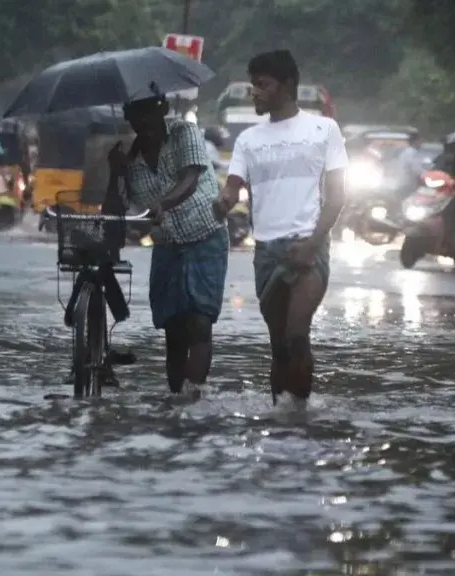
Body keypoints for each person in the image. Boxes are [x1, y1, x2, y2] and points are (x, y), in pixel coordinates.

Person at [214, 49, 348, 410]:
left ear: (287, 85)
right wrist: (223, 201)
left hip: (309, 245)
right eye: (253, 86)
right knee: (278, 345)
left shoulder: (324, 129)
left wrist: (313, 244)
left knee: (296, 334)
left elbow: (337, 197)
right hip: (267, 252)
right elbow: (233, 187)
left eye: (262, 85)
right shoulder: (248, 141)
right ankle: (281, 422)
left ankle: (300, 416)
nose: (255, 93)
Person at [105, 94, 229, 395]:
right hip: (167, 245)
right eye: (135, 114)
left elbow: (191, 177)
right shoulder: (129, 159)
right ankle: (177, 401)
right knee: (173, 331)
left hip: (206, 236)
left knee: (199, 323)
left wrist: (164, 203)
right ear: (129, 119)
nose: (142, 121)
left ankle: (194, 395)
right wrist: (115, 171)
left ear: (161, 110)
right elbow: (114, 209)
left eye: (148, 112)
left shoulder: (183, 133)